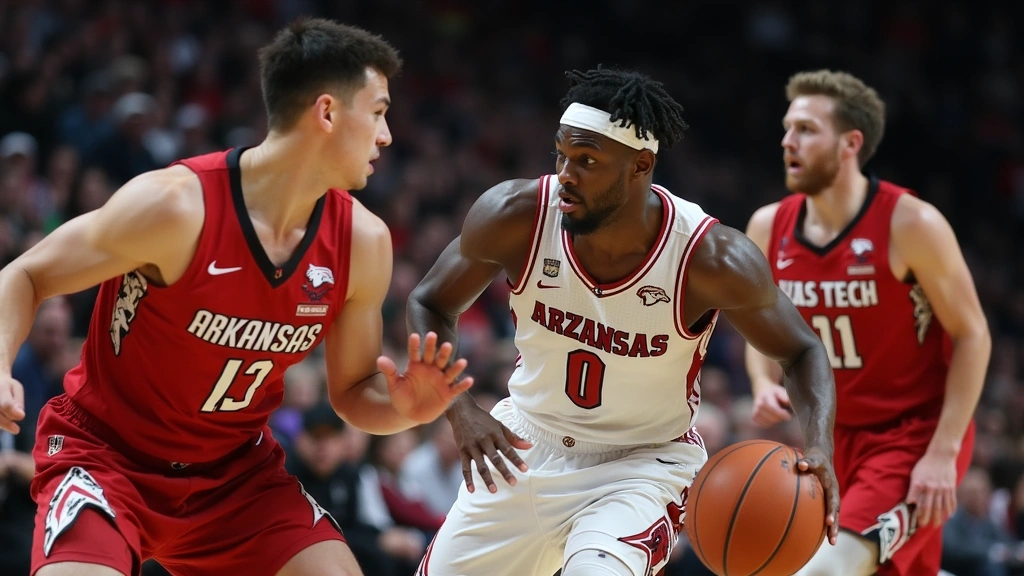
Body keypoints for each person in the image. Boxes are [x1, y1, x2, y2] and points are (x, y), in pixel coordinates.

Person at [0, 18, 473, 576]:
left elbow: (352, 393)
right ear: (326, 112)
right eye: (377, 112)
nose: (387, 134)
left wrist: (402, 407)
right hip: (109, 460)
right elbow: (26, 274)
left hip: (233, 478)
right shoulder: (176, 207)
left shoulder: (363, 242)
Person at [407, 67, 840, 576]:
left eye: (587, 161)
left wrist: (818, 445)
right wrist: (461, 410)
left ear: (640, 166)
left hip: (640, 465)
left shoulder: (710, 258)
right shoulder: (515, 214)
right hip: (523, 444)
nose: (566, 174)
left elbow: (801, 351)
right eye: (562, 155)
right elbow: (429, 302)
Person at [744, 69, 990, 576]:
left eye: (807, 129)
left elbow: (972, 335)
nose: (788, 141)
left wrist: (943, 452)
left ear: (850, 143)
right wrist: (761, 381)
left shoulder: (911, 223)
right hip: (828, 442)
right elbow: (761, 325)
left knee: (825, 570)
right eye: (788, 128)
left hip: (911, 438)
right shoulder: (769, 226)